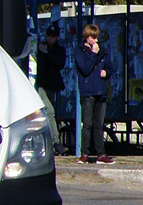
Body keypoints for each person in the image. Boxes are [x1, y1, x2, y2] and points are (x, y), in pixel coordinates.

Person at [75, 23, 112, 164]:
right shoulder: (80, 51)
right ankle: (85, 153)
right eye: (93, 37)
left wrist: (107, 72)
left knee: (99, 124)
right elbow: (85, 68)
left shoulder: (103, 50)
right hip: (87, 91)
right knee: (88, 124)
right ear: (87, 37)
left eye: (97, 37)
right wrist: (93, 54)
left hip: (101, 90)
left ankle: (101, 154)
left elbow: (110, 67)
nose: (96, 41)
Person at [35, 24, 66, 154]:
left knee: (49, 113)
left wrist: (46, 53)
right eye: (48, 36)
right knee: (49, 111)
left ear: (57, 37)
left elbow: (60, 63)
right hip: (41, 84)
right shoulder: (40, 47)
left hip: (51, 85)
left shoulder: (58, 50)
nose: (49, 39)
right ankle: (55, 141)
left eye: (52, 37)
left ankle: (52, 141)